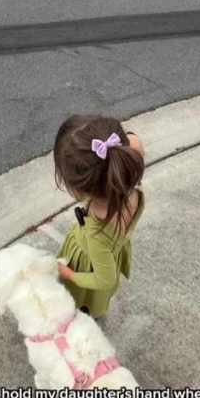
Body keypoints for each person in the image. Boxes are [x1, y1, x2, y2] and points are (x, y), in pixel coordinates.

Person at [53, 114, 146, 319]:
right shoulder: (129, 180)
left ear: (79, 191)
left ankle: (85, 314)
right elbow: (133, 141)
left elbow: (106, 280)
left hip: (86, 264)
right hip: (113, 248)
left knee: (80, 301)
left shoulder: (96, 232)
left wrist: (70, 275)